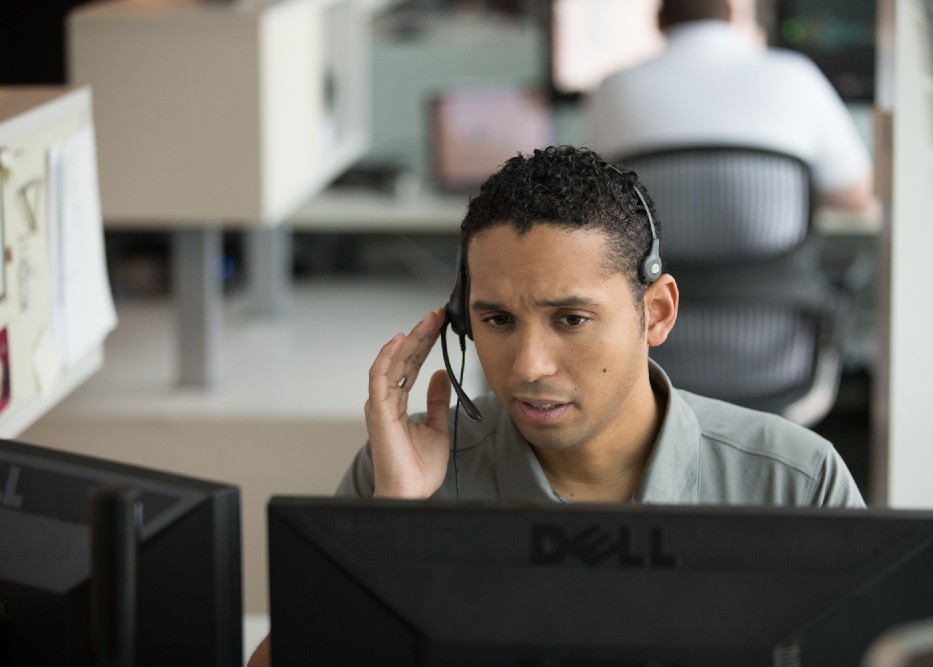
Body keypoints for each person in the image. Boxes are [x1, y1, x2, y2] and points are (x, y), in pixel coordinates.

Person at [247, 144, 864, 666]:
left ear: (657, 313)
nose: (526, 366)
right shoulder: (409, 474)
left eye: (570, 318)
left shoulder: (794, 482)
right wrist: (393, 522)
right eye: (496, 319)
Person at [584, 0, 878, 214]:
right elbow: (857, 196)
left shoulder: (612, 88)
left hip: (654, 288)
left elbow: (595, 196)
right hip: (771, 291)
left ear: (658, 19)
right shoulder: (796, 75)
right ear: (730, 14)